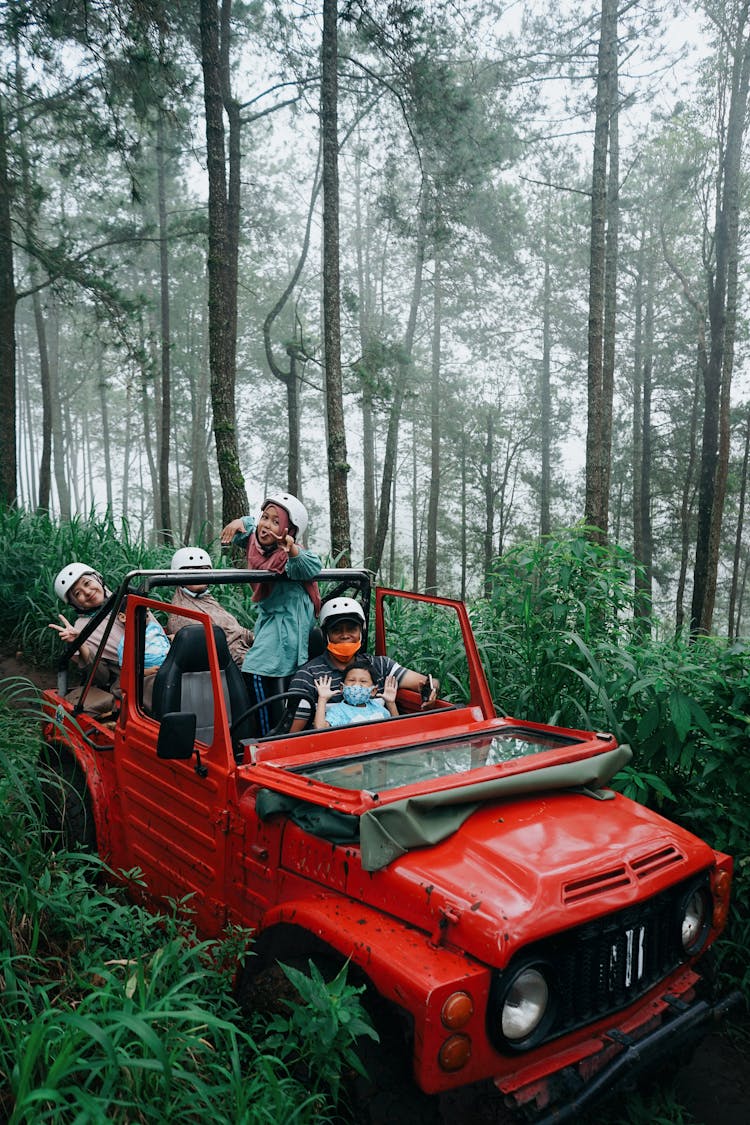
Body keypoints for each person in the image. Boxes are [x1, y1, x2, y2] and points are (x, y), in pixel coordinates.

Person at [220, 491, 322, 734]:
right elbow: (249, 528)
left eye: (276, 522)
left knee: (257, 668)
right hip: (270, 618)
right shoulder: (257, 543)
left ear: (290, 529)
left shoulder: (288, 553)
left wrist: (292, 550)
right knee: (272, 671)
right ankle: (274, 724)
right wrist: (240, 522)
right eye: (265, 517)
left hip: (290, 621)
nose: (266, 525)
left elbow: (310, 566)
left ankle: (268, 735)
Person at [288, 596, 438, 732]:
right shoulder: (308, 676)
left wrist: (429, 691)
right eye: (336, 630)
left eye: (352, 629)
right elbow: (293, 735)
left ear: (361, 632)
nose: (345, 635)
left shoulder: (380, 665)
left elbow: (429, 682)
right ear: (326, 635)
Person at [166, 546, 254, 668]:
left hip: (244, 653)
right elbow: (212, 647)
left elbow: (234, 630)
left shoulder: (206, 599)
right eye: (191, 571)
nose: (198, 575)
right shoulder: (181, 613)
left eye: (203, 570)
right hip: (230, 664)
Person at [50, 563, 123, 674]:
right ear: (74, 603)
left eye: (87, 583)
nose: (88, 592)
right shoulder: (81, 629)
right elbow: (102, 677)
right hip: (132, 681)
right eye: (78, 593)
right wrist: (79, 642)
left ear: (98, 579)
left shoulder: (126, 600)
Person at [313, 657, 399, 729]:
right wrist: (322, 699)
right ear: (342, 688)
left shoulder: (377, 707)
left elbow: (396, 727)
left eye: (363, 681)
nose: (356, 684)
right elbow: (320, 728)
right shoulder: (338, 711)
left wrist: (391, 703)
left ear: (373, 691)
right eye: (351, 680)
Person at [116, 596, 170, 674]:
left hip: (172, 661)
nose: (146, 615)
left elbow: (164, 641)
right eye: (139, 611)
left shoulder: (154, 627)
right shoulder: (126, 642)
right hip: (154, 671)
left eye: (147, 611)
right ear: (123, 617)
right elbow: (125, 669)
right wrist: (146, 672)